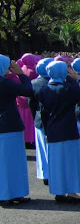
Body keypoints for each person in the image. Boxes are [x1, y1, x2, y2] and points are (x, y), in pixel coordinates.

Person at [36, 60, 80, 203]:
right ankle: (72, 192)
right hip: (68, 129)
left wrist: (47, 131)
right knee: (70, 162)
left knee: (56, 163)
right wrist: (79, 78)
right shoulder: (68, 89)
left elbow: (43, 113)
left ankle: (58, 191)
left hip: (53, 131)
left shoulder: (44, 90)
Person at [0, 55, 32, 205]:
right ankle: (14, 193)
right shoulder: (4, 82)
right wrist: (20, 74)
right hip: (9, 127)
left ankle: (4, 194)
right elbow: (27, 90)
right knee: (14, 163)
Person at [30, 58, 53, 185]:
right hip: (53, 119)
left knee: (42, 150)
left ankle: (45, 174)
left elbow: (31, 103)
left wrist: (35, 116)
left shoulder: (34, 83)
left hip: (39, 120)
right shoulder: (55, 83)